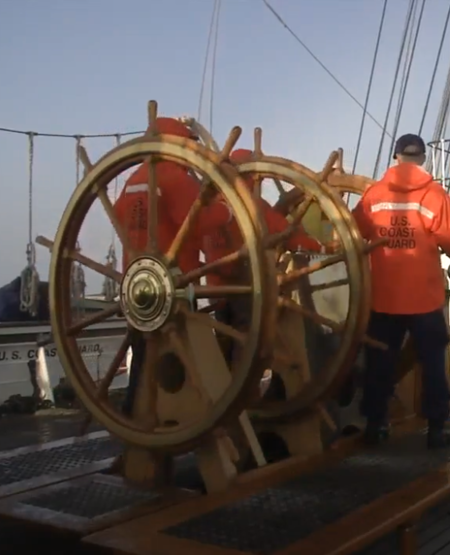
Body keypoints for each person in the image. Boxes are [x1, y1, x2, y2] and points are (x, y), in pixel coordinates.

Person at [352, 133, 450, 449]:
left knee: (379, 362)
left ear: (396, 158)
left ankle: (375, 425)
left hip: (384, 297)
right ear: (423, 160)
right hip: (424, 298)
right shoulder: (434, 195)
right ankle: (437, 428)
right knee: (432, 362)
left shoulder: (373, 196)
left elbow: (351, 234)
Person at [112, 117, 231, 417]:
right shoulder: (173, 176)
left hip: (139, 285)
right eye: (190, 142)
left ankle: (135, 418)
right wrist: (229, 210)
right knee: (189, 355)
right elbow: (197, 219)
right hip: (176, 283)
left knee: (143, 353)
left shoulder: (132, 180)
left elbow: (118, 217)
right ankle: (196, 415)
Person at [200, 148, 332, 361]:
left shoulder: (209, 205)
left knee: (224, 339)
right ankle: (245, 389)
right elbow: (287, 233)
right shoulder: (254, 206)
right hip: (246, 289)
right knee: (247, 342)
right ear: (251, 173)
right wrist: (324, 249)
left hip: (214, 288)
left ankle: (224, 386)